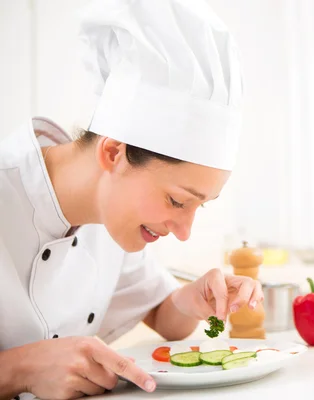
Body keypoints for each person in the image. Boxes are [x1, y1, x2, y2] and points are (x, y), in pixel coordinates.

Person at [0, 1, 262, 399]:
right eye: (177, 201)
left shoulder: (111, 216)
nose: (185, 231)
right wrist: (17, 370)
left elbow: (160, 313)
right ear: (113, 153)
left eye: (199, 205)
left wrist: (193, 300)